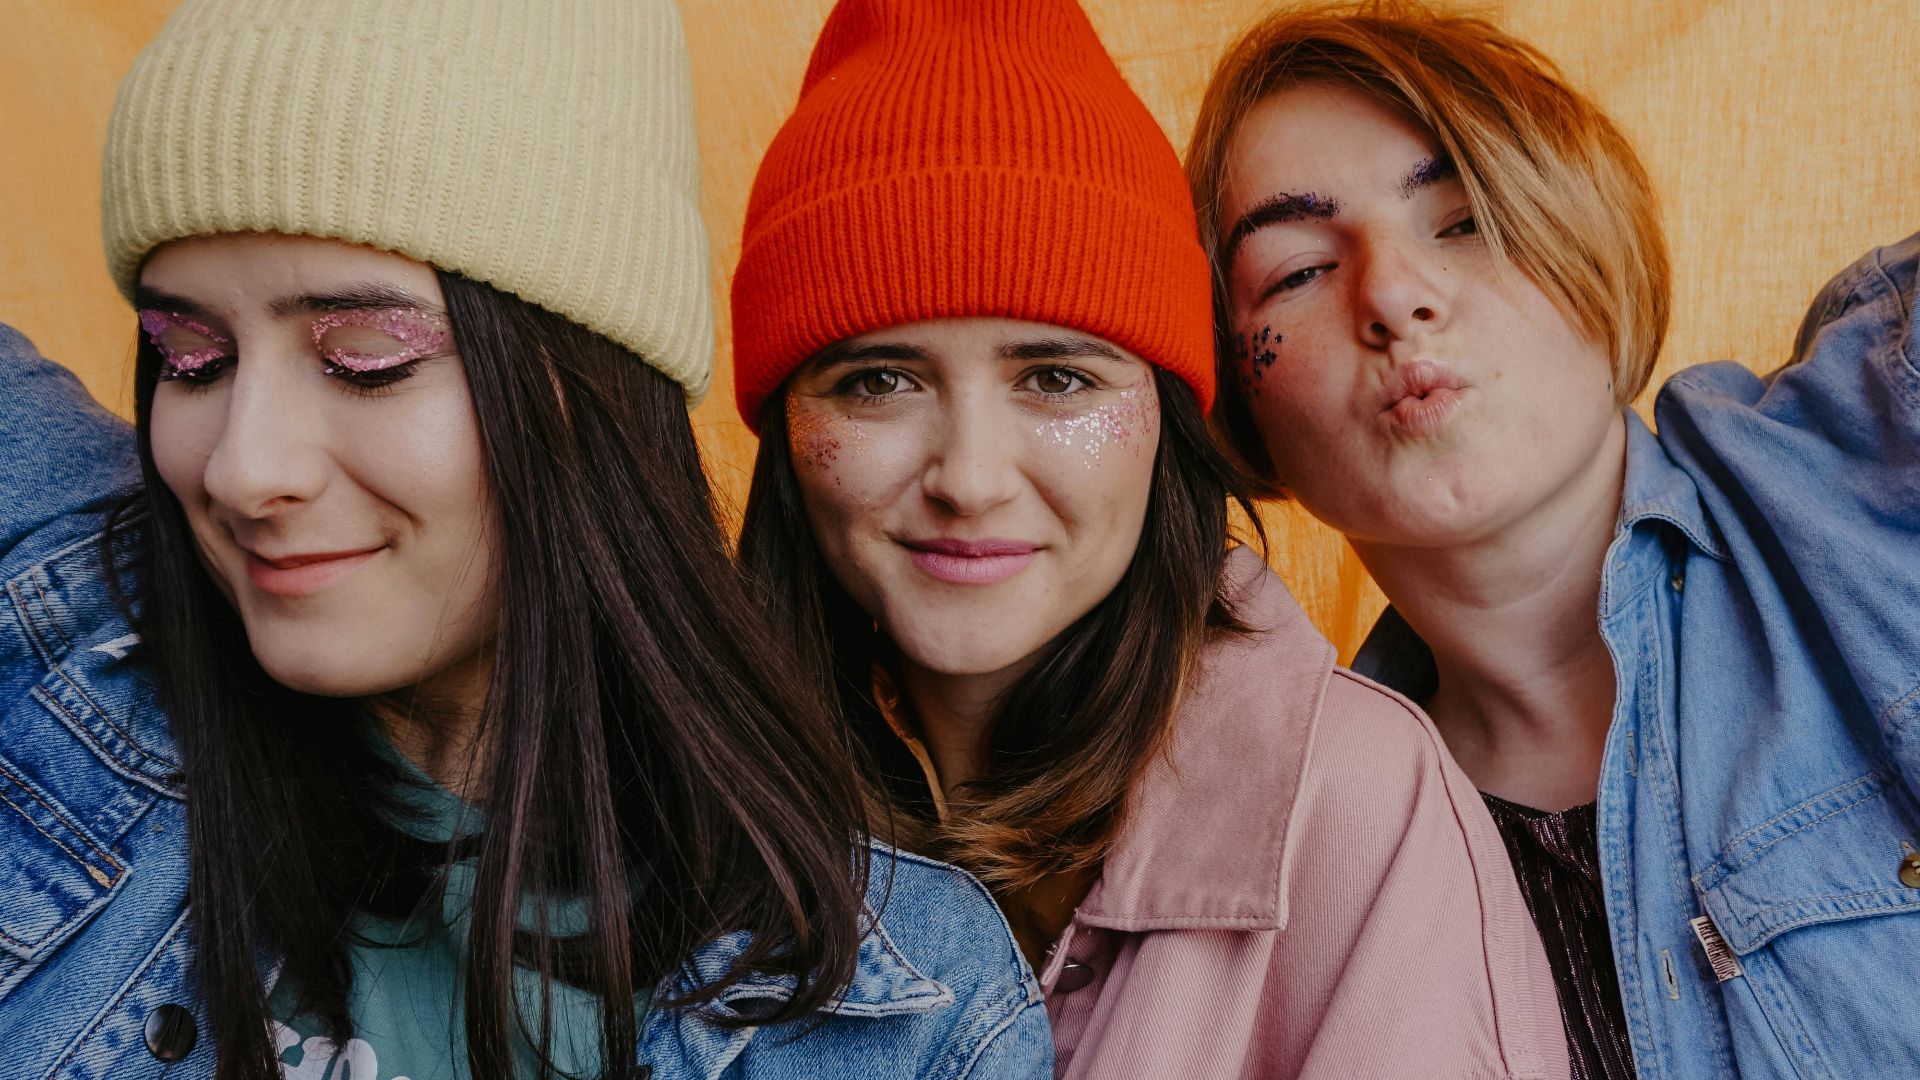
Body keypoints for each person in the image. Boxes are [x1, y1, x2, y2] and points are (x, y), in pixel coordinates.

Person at [0, 1, 1050, 1077]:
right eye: (189, 357)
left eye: (364, 355)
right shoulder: (57, 633)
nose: (242, 468)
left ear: (586, 387)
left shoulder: (905, 1006)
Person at [731, 1, 1569, 1077]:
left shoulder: (1355, 803)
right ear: (784, 431)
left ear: (1167, 425)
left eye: (1057, 378)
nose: (971, 480)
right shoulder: (699, 804)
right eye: (879, 381)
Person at [1187, 4, 1920, 1078]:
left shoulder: (1869, 458)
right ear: (1235, 409)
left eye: (1464, 218)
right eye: (1297, 272)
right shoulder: (1304, 859)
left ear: (1584, 238)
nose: (1394, 296)